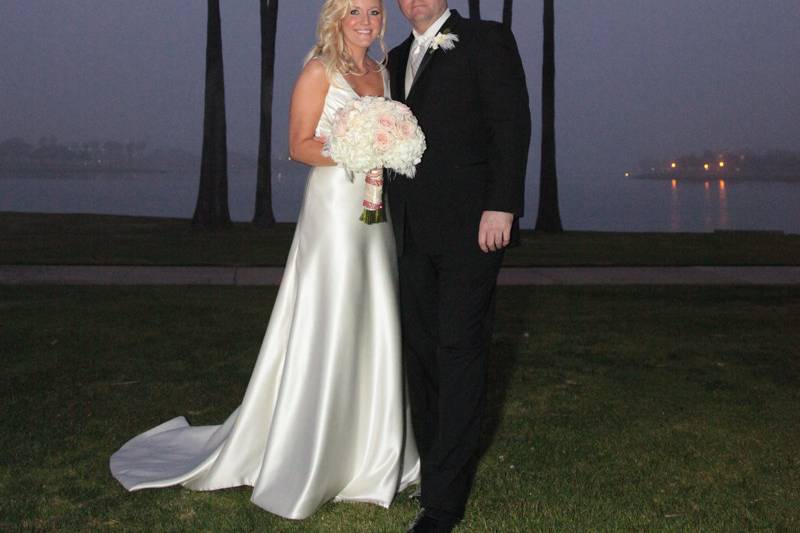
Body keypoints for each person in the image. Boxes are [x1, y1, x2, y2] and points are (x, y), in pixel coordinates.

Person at [109, 0, 419, 520]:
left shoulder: (380, 72)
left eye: (373, 11)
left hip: (375, 212)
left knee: (374, 319)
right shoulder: (319, 69)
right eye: (354, 12)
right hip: (335, 213)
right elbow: (299, 146)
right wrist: (359, 150)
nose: (365, 21)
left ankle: (374, 451)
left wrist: (388, 147)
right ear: (336, 19)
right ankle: (313, 453)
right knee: (332, 317)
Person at [386, 1, 531, 531]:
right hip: (409, 234)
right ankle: (433, 468)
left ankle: (442, 506)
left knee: (459, 353)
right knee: (421, 355)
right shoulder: (396, 57)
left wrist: (503, 204)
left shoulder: (486, 40)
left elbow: (510, 124)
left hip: (473, 230)